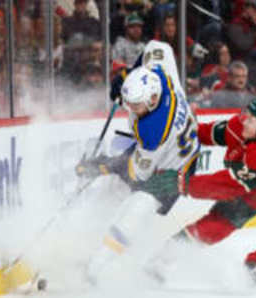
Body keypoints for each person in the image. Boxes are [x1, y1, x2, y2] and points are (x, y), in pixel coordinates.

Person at [143, 98, 256, 290]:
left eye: (251, 120)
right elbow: (207, 134)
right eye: (247, 115)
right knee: (215, 224)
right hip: (254, 192)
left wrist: (181, 183)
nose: (244, 120)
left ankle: (253, 269)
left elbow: (225, 185)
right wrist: (181, 132)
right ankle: (162, 259)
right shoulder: (240, 126)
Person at [75, 40, 200, 284]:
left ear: (153, 100)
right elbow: (157, 46)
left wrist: (103, 165)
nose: (129, 107)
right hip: (169, 146)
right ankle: (92, 235)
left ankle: (96, 266)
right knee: (116, 195)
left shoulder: (153, 131)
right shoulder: (159, 72)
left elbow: (136, 174)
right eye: (128, 102)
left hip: (174, 169)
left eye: (135, 105)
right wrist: (128, 72)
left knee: (136, 208)